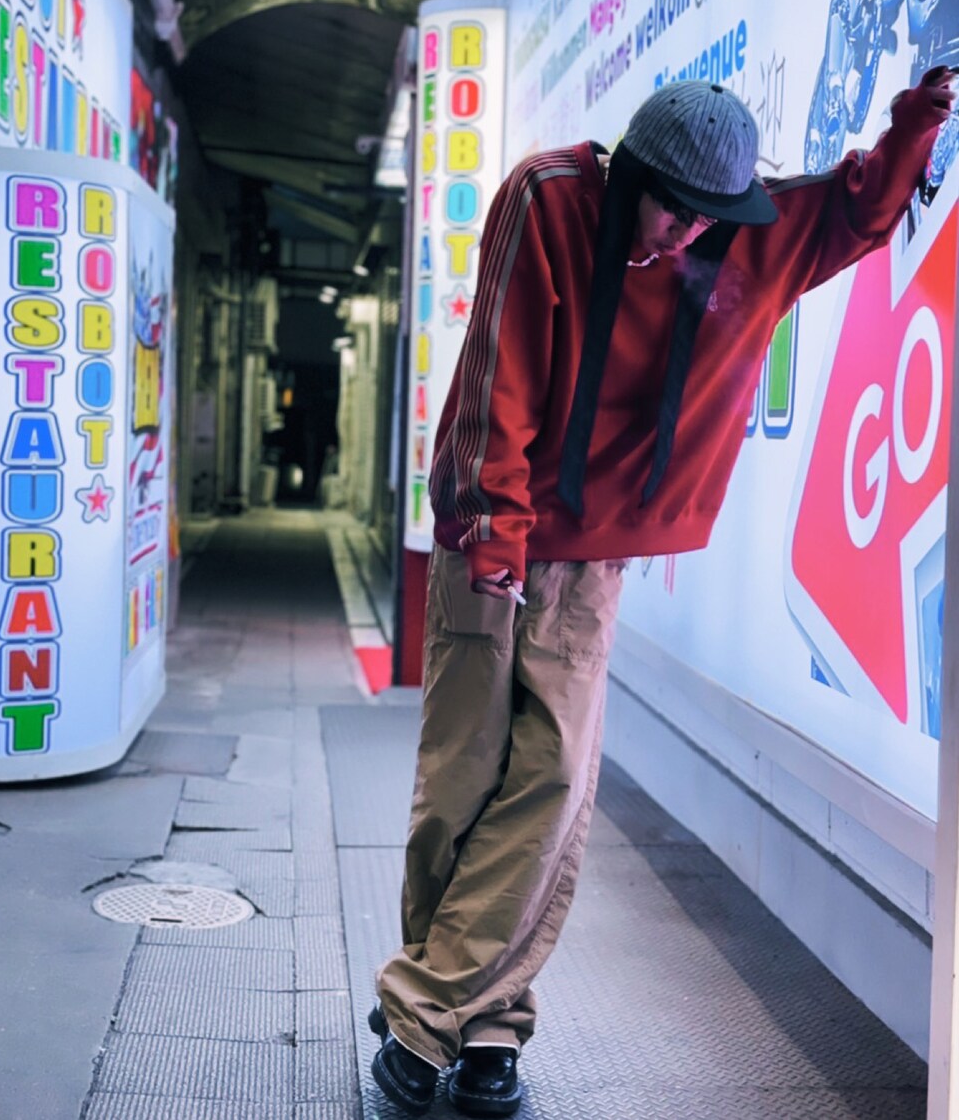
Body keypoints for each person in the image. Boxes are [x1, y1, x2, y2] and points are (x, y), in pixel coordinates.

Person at [370, 69, 956, 1117]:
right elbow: (500, 370)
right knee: (460, 783)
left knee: (549, 785)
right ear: (632, 175)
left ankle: (433, 1016)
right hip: (489, 539)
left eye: (708, 215)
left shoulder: (741, 233)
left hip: (592, 558)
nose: (689, 232)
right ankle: (479, 1016)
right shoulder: (548, 199)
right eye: (673, 207)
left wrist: (919, 119)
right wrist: (496, 529)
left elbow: (856, 208)